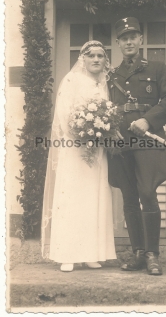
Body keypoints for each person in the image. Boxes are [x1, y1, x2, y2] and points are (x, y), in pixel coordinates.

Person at [107, 17, 166, 275]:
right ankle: (138, 252)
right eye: (123, 38)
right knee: (129, 198)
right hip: (121, 143)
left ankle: (152, 255)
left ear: (140, 40)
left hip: (147, 140)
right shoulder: (111, 75)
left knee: (148, 193)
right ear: (118, 43)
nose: (128, 42)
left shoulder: (160, 69)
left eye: (133, 37)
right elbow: (105, 107)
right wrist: (110, 128)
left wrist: (147, 120)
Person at [41, 40, 117, 272]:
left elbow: (109, 115)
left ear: (105, 61)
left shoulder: (105, 83)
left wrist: (100, 134)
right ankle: (68, 254)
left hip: (97, 149)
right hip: (74, 149)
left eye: (100, 56)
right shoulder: (72, 80)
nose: (96, 59)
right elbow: (64, 115)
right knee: (72, 198)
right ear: (82, 59)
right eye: (91, 55)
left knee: (94, 197)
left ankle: (91, 253)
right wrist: (81, 135)